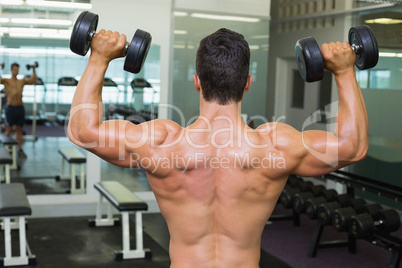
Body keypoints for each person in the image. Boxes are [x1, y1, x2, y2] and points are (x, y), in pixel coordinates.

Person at [68, 28, 368, 267]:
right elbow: (352, 148)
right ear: (247, 83)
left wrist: (98, 58)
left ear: (197, 82)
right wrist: (344, 72)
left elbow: (83, 132)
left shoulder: (160, 142)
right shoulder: (276, 146)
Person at [0, 63, 37, 158]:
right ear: (11, 70)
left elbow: (33, 80)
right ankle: (5, 149)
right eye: (14, 69)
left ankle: (19, 149)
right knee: (8, 129)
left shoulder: (21, 81)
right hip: (10, 108)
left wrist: (33, 69)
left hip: (20, 108)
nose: (16, 71)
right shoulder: (6, 81)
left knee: (19, 130)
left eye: (17, 69)